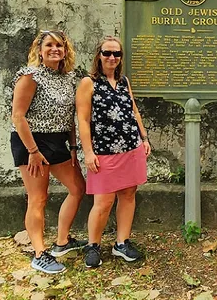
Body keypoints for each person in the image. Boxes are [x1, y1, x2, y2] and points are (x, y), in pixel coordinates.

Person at [10, 30, 86, 274]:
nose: (56, 49)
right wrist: (32, 151)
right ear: (39, 50)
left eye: (60, 46)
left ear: (65, 51)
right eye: (50, 45)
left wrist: (73, 146)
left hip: (58, 141)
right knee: (38, 198)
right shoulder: (30, 76)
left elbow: (70, 118)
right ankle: (40, 253)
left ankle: (62, 242)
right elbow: (18, 116)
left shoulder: (68, 78)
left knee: (78, 188)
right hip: (33, 142)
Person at [76, 36, 151, 268]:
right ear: (98, 55)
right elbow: (83, 119)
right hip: (105, 151)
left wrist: (144, 137)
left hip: (131, 148)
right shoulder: (88, 83)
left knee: (128, 195)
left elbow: (134, 111)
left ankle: (121, 243)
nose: (112, 58)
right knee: (103, 201)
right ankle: (93, 245)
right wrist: (88, 152)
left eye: (116, 54)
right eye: (107, 53)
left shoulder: (124, 81)